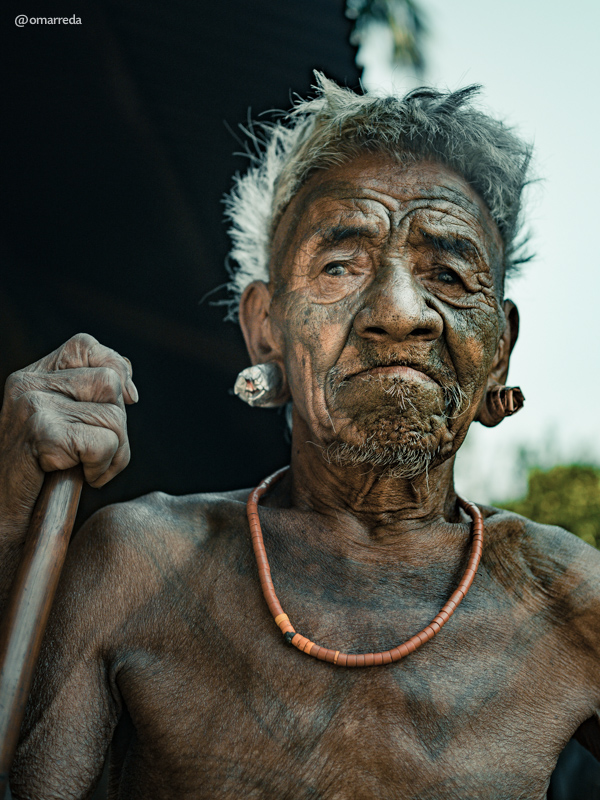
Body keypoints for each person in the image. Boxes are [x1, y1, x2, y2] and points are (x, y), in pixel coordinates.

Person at [1, 76, 598, 800]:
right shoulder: (138, 566)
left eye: (447, 272)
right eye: (341, 265)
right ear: (265, 329)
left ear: (498, 347)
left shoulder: (566, 601)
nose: (400, 312)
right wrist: (7, 518)